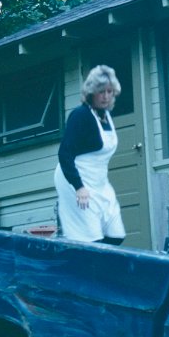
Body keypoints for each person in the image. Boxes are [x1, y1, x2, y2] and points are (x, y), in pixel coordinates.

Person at [53, 65, 126, 244]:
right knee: (91, 237)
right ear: (91, 92)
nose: (106, 96)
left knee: (116, 234)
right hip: (75, 180)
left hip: (99, 181)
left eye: (110, 91)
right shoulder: (80, 115)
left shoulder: (106, 116)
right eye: (101, 92)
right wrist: (79, 187)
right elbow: (64, 153)